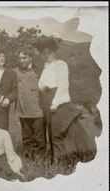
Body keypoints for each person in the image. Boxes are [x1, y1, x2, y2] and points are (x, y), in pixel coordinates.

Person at [35, 36, 98, 174]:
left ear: (54, 52)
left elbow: (63, 85)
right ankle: (56, 160)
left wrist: (55, 103)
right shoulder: (45, 67)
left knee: (60, 131)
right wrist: (42, 87)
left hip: (58, 101)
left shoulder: (60, 64)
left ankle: (64, 161)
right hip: (47, 100)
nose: (47, 55)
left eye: (49, 52)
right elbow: (41, 85)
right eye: (44, 53)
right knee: (51, 132)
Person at [14, 47, 46, 160]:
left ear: (31, 58)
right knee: (26, 138)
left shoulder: (40, 71)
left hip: (38, 111)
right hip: (23, 112)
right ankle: (28, 160)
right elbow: (2, 73)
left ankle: (41, 161)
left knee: (39, 138)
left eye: (24, 57)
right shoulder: (16, 72)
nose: (21, 60)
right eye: (20, 58)